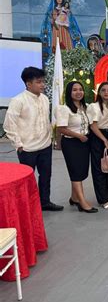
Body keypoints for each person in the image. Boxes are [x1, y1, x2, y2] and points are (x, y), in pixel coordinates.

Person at [4, 67, 63, 211]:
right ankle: (27, 205)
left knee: (46, 175)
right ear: (28, 84)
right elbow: (9, 125)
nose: (43, 85)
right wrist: (18, 145)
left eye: (43, 81)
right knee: (27, 179)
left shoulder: (44, 99)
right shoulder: (18, 100)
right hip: (27, 147)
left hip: (45, 145)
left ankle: (45, 202)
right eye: (39, 82)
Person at [56, 81, 97, 213]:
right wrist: (79, 136)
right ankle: (82, 202)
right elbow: (61, 128)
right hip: (71, 143)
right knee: (76, 173)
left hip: (84, 143)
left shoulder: (85, 107)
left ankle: (74, 197)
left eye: (81, 89)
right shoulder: (64, 108)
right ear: (69, 92)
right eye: (74, 90)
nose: (78, 92)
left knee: (82, 171)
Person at [87, 82, 108, 210]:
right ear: (99, 92)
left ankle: (106, 194)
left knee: (107, 166)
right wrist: (104, 140)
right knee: (98, 168)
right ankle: (102, 199)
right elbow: (93, 126)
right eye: (103, 90)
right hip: (98, 137)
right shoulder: (94, 106)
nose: (106, 92)